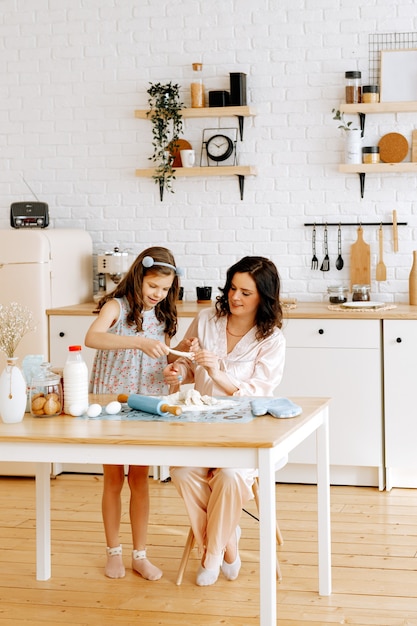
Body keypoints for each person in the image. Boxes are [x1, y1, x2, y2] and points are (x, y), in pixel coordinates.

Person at [163, 256, 286, 587]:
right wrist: (177, 369)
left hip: (247, 431)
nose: (235, 298)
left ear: (264, 296)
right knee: (182, 471)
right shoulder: (206, 320)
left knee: (231, 475)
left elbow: (260, 394)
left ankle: (213, 554)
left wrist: (218, 372)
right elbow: (184, 361)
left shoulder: (271, 338)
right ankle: (229, 542)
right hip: (200, 427)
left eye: (246, 292)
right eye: (233, 288)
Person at [85, 245, 183, 582]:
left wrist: (176, 371)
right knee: (114, 479)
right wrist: (137, 342)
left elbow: (167, 361)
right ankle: (113, 551)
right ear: (139, 277)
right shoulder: (116, 306)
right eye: (153, 286)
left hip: (147, 402)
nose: (158, 294)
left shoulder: (165, 316)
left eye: (165, 289)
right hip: (112, 402)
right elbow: (93, 337)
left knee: (140, 479)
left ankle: (140, 554)